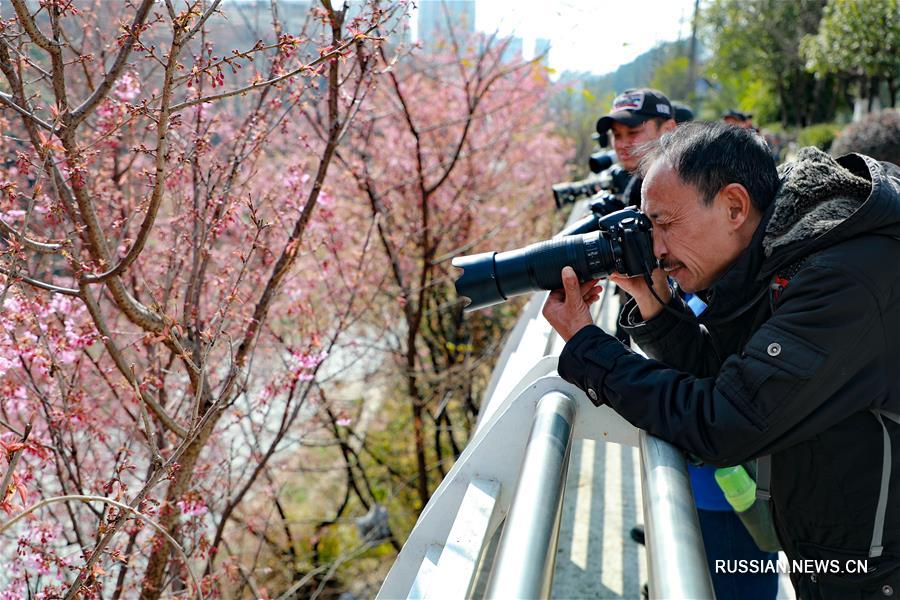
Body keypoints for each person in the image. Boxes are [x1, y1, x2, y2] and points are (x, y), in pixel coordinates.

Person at [543, 121, 900, 598]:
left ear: (734, 206)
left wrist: (587, 345)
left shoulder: (842, 278)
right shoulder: (778, 255)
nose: (657, 247)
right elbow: (729, 376)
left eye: (666, 224)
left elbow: (726, 421)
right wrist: (656, 304)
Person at [595, 88, 676, 209]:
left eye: (633, 132)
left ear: (668, 130)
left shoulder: (692, 183)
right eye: (616, 135)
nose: (622, 145)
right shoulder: (637, 185)